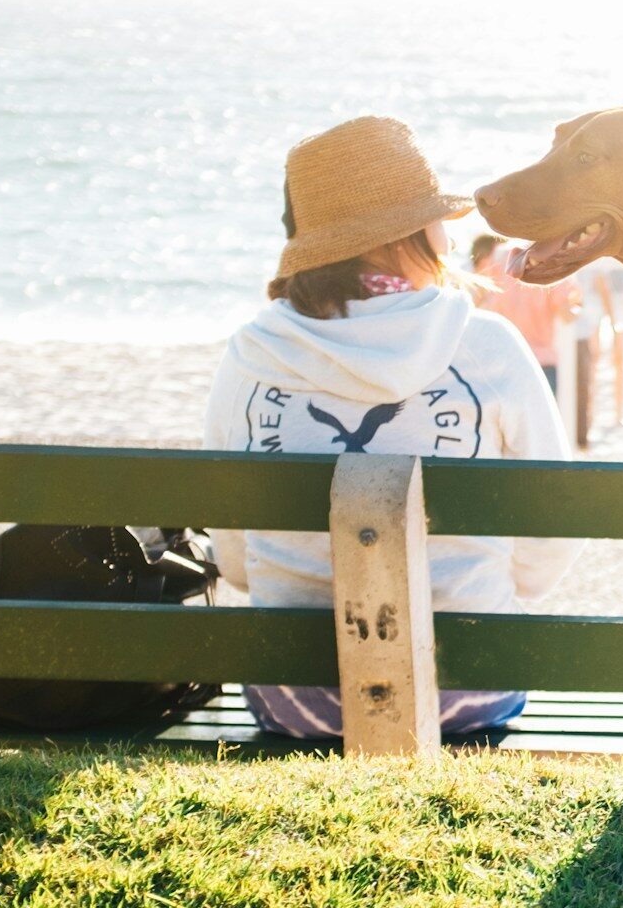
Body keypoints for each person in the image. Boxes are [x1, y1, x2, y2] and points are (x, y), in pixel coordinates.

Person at [202, 116, 582, 737]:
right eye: (436, 218)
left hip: (294, 696)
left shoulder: (252, 353)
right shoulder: (483, 344)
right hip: (467, 684)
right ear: (415, 233)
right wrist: (495, 591)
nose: (449, 235)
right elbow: (556, 522)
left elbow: (237, 562)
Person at [476, 233, 579, 391]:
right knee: (543, 415)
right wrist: (577, 303)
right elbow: (567, 316)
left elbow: (480, 299)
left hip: (504, 361)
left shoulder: (500, 257)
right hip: (541, 364)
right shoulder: (553, 260)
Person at [573, 257, 623, 444]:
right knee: (599, 360)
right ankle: (600, 413)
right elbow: (600, 281)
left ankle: (614, 413)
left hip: (610, 298)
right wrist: (613, 316)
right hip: (599, 299)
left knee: (614, 360)